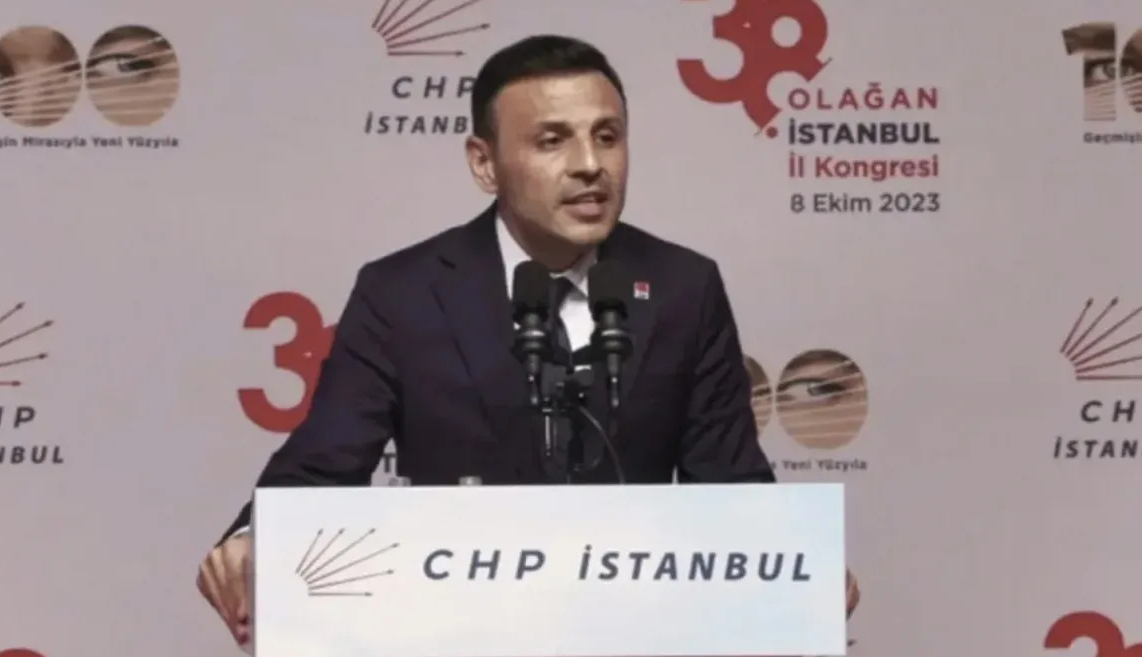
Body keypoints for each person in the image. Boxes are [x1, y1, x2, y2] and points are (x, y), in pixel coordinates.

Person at [196, 34, 857, 645]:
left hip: (638, 633)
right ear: (484, 163)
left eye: (607, 136)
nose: (590, 165)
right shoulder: (401, 292)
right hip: (458, 636)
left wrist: (803, 562)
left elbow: (732, 483)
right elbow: (321, 464)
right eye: (552, 141)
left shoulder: (685, 286)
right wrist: (254, 540)